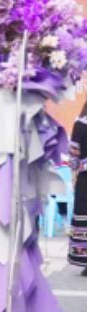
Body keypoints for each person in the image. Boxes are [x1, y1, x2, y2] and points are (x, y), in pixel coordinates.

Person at [69, 108, 87, 273]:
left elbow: (74, 155)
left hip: (85, 178)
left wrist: (74, 173)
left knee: (85, 217)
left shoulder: (80, 125)